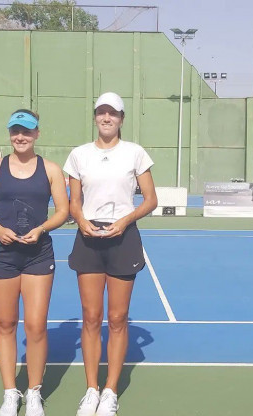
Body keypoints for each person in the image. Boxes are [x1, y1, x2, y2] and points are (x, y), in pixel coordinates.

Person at [63, 92, 158, 416]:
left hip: (123, 237)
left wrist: (125, 221)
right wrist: (82, 221)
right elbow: (74, 202)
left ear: (121, 118)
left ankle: (110, 391)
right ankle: (91, 389)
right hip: (88, 238)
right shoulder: (79, 155)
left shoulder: (135, 153)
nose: (107, 118)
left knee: (117, 318)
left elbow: (150, 199)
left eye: (113, 113)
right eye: (101, 112)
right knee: (91, 317)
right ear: (95, 116)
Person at [0, 109, 69, 416]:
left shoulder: (51, 169)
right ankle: (10, 393)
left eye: (27, 131)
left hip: (38, 255)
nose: (21, 136)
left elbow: (63, 211)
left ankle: (34, 392)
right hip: (2, 255)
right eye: (16, 131)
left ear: (37, 134)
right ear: (10, 134)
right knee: (5, 323)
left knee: (36, 326)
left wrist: (41, 229)